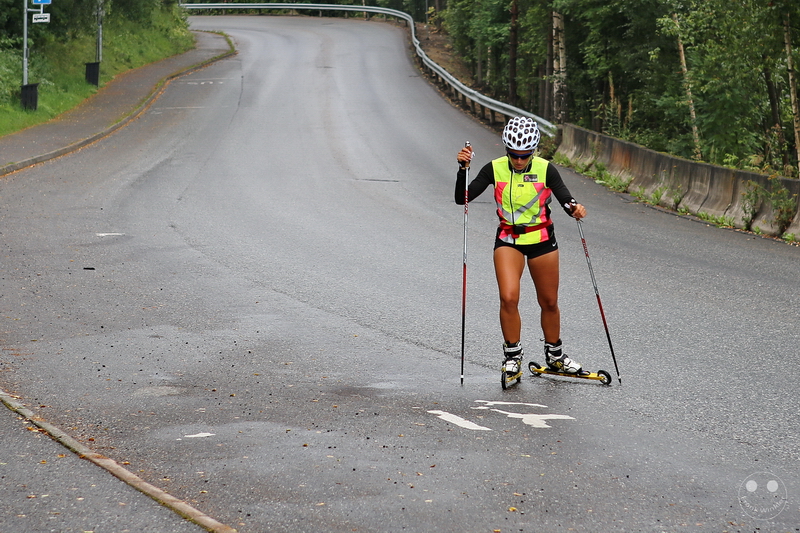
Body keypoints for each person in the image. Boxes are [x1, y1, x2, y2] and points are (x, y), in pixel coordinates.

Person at [455, 116, 587, 377]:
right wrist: (462, 170)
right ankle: (512, 356)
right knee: (508, 297)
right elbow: (463, 198)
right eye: (513, 155)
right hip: (508, 240)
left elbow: (565, 199)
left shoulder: (546, 169)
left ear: (533, 151)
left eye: (524, 156)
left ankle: (555, 356)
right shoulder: (494, 169)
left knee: (549, 301)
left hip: (541, 241)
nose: (518, 161)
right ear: (507, 150)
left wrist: (576, 209)